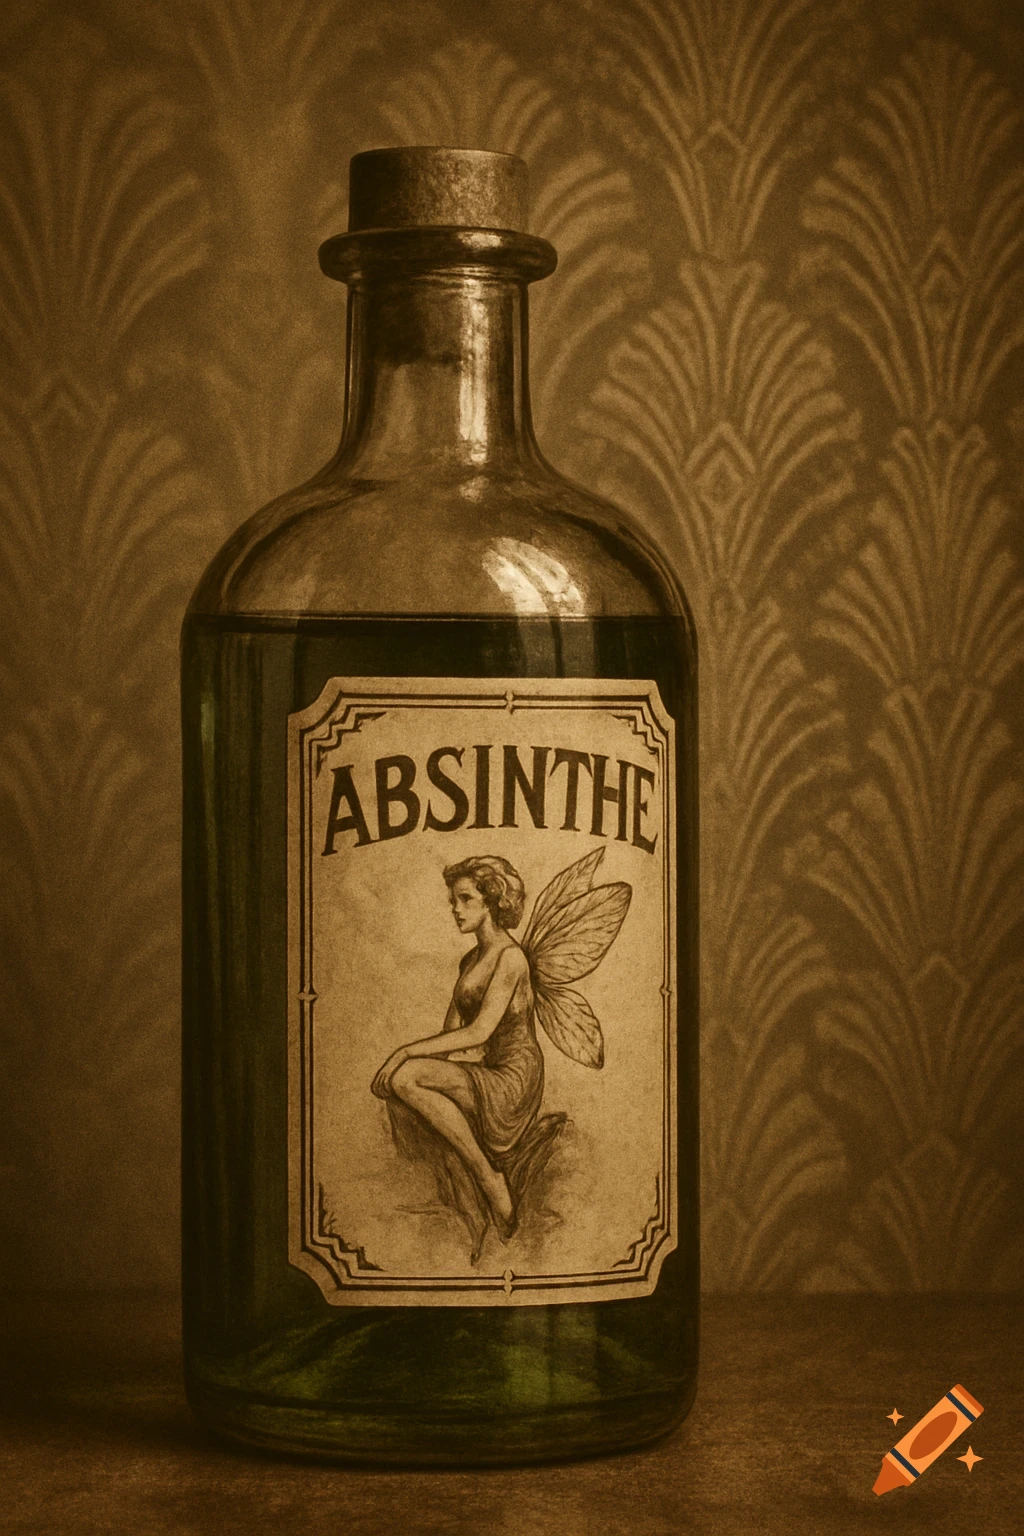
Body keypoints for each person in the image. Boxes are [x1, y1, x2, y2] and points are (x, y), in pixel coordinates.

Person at [372, 855, 565, 1263]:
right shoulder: (470, 961)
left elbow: (479, 1033)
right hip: (487, 1070)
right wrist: (422, 1065)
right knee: (405, 1080)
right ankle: (472, 1190)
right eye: (452, 901)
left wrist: (403, 1052)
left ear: (492, 902)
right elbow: (450, 1036)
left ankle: (489, 1177)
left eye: (465, 899)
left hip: (514, 1076)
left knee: (406, 1075)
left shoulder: (511, 958)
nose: (455, 909)